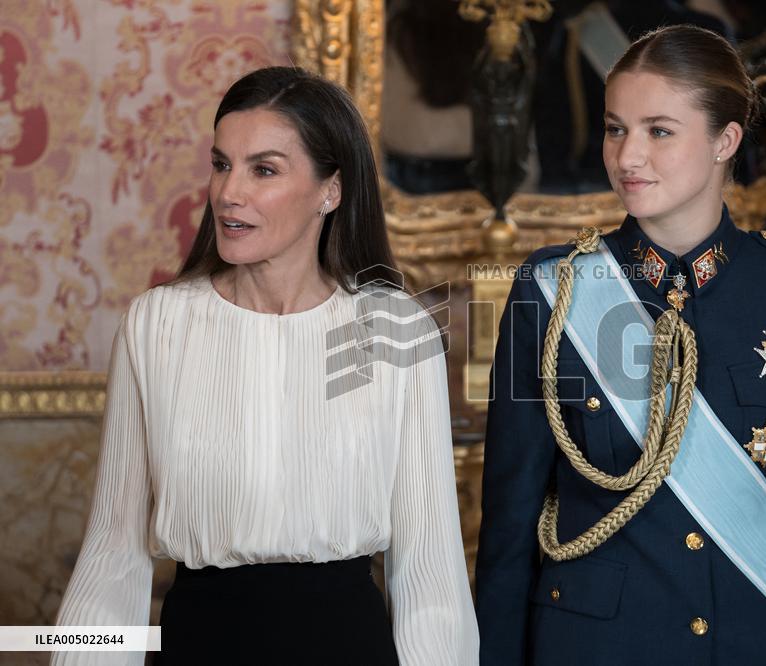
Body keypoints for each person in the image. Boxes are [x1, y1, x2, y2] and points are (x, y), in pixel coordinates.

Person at [476, 25, 766, 665]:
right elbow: (507, 525)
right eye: (616, 128)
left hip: (763, 639)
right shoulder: (552, 290)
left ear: (725, 140)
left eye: (659, 131)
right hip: (598, 644)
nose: (627, 156)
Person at [53, 67, 478, 665]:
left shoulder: (396, 329)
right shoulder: (156, 326)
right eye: (222, 164)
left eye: (265, 170)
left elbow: (430, 567)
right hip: (201, 645)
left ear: (331, 190)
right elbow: (112, 553)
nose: (230, 193)